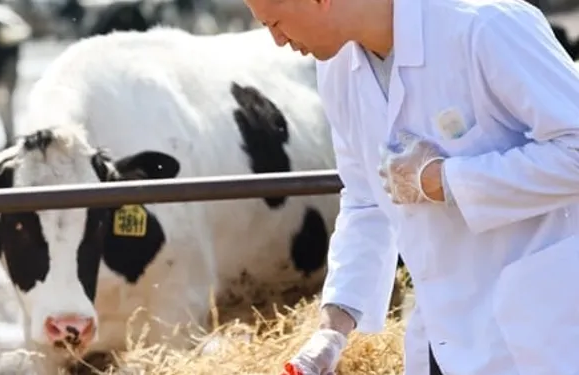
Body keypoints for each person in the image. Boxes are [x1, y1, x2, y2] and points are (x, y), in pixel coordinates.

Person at [241, 0, 579, 374]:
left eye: (275, 23)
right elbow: (366, 198)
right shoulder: (337, 67)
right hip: (444, 336)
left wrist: (447, 180)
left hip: (545, 334)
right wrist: (334, 328)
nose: (276, 40)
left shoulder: (485, 27)